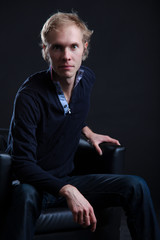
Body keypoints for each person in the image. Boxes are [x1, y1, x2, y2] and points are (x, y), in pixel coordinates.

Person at [4, 11, 160, 240]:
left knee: (136, 186)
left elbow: (67, 111)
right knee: (25, 196)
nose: (66, 56)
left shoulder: (87, 79)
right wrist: (67, 190)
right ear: (46, 51)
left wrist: (87, 131)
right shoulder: (30, 95)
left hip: (66, 178)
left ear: (84, 49)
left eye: (74, 46)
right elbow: (23, 164)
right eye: (57, 47)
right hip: (32, 184)